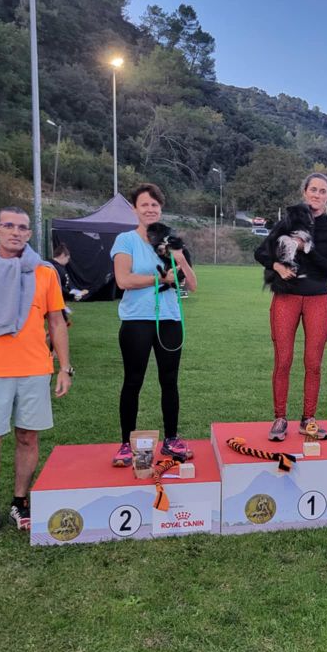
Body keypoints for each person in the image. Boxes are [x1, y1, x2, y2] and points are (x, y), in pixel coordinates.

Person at [0, 206, 72, 545]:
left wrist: (64, 367)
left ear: (30, 234)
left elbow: (56, 322)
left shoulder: (44, 272)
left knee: (28, 438)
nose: (16, 232)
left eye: (22, 227)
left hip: (35, 370)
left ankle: (20, 502)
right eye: (9, 226)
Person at [110, 183, 197, 465]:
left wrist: (180, 258)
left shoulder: (171, 241)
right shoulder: (126, 240)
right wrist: (161, 279)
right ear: (135, 209)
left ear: (161, 209)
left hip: (170, 320)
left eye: (155, 205)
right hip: (137, 320)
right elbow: (124, 280)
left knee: (169, 381)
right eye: (144, 204)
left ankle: (171, 440)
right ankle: (126, 443)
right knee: (133, 381)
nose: (150, 209)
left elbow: (193, 285)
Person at [254, 173, 327, 441]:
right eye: (312, 190)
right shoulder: (288, 222)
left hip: (318, 298)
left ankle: (308, 420)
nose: (317, 195)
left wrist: (307, 249)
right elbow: (260, 252)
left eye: (322, 191)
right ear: (305, 192)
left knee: (313, 363)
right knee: (283, 360)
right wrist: (277, 266)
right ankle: (280, 419)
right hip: (286, 298)